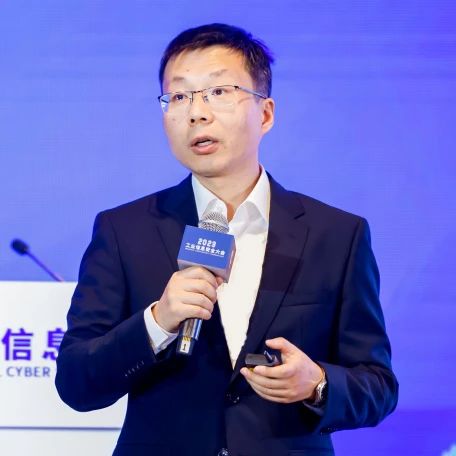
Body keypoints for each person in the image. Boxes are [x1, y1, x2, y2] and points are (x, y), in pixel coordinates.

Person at [55, 23, 398, 456]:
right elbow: (75, 383)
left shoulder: (337, 235)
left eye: (218, 92)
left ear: (265, 114)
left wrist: (318, 384)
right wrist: (157, 322)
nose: (196, 113)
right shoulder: (124, 230)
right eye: (179, 96)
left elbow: (378, 385)